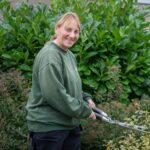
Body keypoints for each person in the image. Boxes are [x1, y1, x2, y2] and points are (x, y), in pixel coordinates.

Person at [26, 12, 96, 150]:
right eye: (68, 30)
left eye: (76, 31)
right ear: (57, 29)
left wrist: (85, 98)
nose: (73, 35)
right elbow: (55, 95)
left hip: (68, 125)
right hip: (49, 129)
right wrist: (84, 111)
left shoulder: (69, 55)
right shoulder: (50, 56)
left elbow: (70, 86)